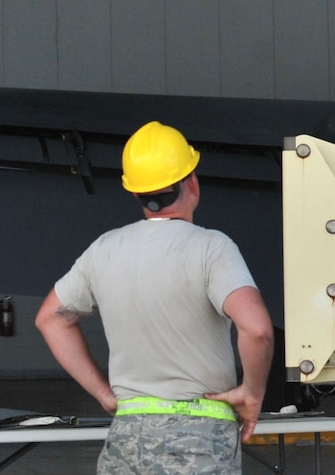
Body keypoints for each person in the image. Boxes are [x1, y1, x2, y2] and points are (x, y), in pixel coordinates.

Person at [36, 122, 274, 474]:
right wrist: (251, 394)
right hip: (197, 442)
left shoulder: (103, 250)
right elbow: (257, 330)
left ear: (135, 193)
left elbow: (50, 318)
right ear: (191, 182)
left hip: (126, 437)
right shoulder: (212, 248)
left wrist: (105, 395)